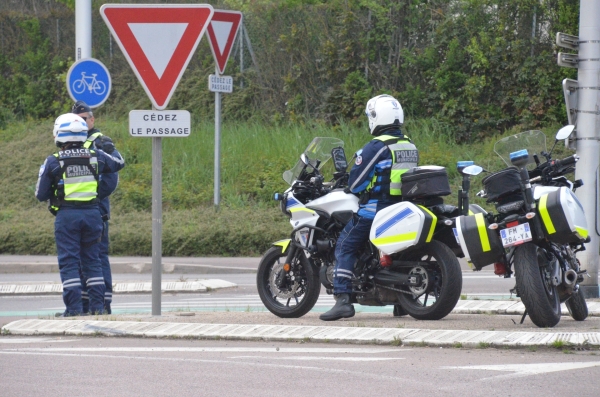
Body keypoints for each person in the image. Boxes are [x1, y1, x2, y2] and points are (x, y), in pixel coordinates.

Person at [319, 95, 419, 321]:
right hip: (400, 208)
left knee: (344, 245)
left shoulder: (377, 146)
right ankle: (400, 302)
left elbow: (356, 183)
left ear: (376, 117)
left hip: (375, 209)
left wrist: (353, 184)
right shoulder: (408, 144)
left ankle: (343, 298)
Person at [35, 114, 125, 316]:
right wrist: (110, 147)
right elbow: (119, 163)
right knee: (92, 261)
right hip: (93, 215)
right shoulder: (97, 156)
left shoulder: (53, 161)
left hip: (67, 217)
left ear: (59, 134)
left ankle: (74, 310)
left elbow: (40, 194)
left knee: (69, 262)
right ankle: (98, 308)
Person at [72, 101, 119, 314]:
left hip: (96, 210)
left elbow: (111, 180)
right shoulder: (71, 142)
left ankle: (103, 305)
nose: (81, 123)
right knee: (80, 259)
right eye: (76, 120)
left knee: (97, 257)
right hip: (75, 211)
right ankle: (83, 305)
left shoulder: (102, 143)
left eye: (84, 119)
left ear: (92, 119)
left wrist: (90, 198)